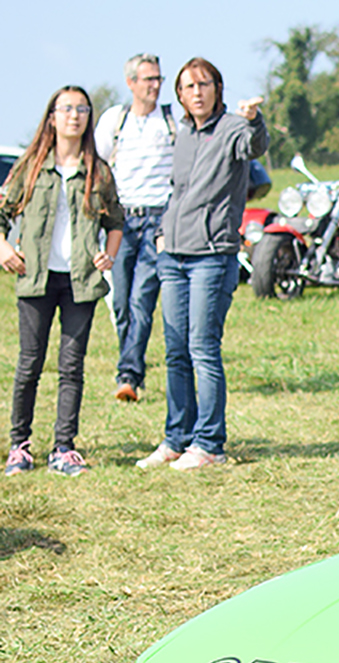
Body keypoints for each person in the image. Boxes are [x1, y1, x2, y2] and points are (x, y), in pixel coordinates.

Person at [138, 57, 265, 471]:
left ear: (217, 88)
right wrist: (161, 236)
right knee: (175, 350)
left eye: (204, 84)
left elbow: (254, 147)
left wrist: (254, 119)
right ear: (179, 94)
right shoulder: (182, 133)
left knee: (202, 348)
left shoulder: (231, 129)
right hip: (172, 254)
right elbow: (176, 190)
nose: (196, 92)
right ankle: (177, 438)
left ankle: (209, 443)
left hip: (211, 256)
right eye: (188, 86)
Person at [1, 87, 124, 478]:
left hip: (80, 282)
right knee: (29, 364)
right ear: (52, 116)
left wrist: (111, 253)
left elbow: (115, 221)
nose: (75, 115)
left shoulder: (99, 171)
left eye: (82, 109)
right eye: (67, 108)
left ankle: (63, 449)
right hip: (36, 278)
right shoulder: (30, 166)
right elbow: (2, 213)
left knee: (72, 366)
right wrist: (3, 248)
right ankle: (19, 447)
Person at [96, 53, 173, 404]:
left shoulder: (172, 121)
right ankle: (130, 361)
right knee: (121, 302)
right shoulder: (116, 119)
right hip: (121, 220)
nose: (155, 85)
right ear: (131, 83)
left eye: (157, 78)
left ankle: (129, 375)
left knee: (143, 297)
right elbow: (97, 165)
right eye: (147, 79)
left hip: (158, 218)